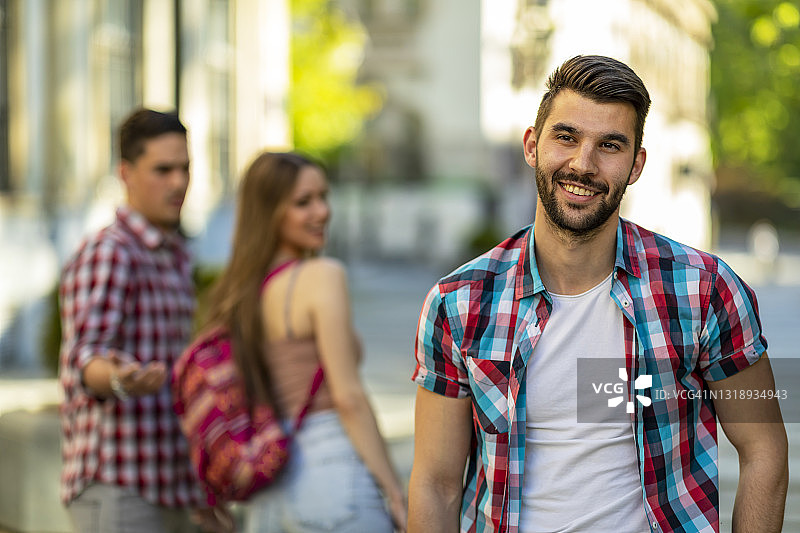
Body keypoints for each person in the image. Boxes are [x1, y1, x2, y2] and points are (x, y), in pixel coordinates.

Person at [408, 55, 788, 533]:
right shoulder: (458, 303)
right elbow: (436, 484)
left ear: (636, 165)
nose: (582, 164)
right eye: (565, 137)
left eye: (610, 145)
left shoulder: (704, 289)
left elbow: (764, 450)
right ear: (531, 145)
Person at [199, 151, 407, 532]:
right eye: (303, 202)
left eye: (323, 197)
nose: (322, 211)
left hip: (269, 492)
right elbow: (349, 399)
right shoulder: (320, 276)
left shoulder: (239, 296)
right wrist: (395, 491)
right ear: (270, 212)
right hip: (330, 475)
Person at [59, 108, 230, 533]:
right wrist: (118, 379)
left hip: (168, 484)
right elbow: (84, 357)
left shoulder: (173, 253)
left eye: (185, 169)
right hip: (117, 484)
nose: (178, 183)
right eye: (162, 170)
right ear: (126, 173)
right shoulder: (111, 251)